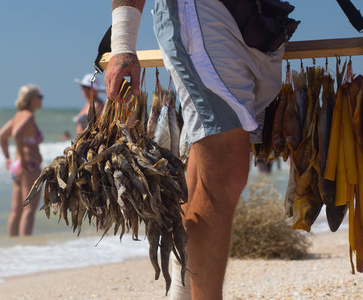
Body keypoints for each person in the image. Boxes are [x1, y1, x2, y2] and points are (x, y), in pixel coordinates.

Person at [104, 1, 285, 299]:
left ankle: (182, 292)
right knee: (224, 171)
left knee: (204, 169)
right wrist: (123, 43)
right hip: (200, 12)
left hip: (248, 15)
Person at [0, 84, 44, 237]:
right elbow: (16, 134)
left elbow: (1, 136)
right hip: (29, 166)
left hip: (17, 167)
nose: (42, 99)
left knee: (16, 211)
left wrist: (8, 159)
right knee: (29, 210)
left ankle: (14, 248)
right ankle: (25, 248)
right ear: (31, 99)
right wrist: (24, 159)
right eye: (39, 96)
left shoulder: (17, 116)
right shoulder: (28, 116)